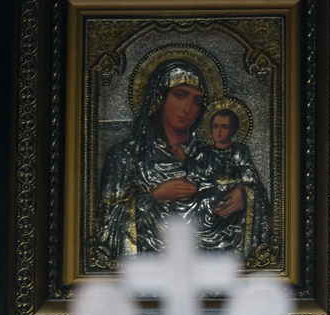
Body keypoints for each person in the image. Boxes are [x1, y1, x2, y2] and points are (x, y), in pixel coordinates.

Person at [94, 60, 269, 261]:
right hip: (151, 268)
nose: (188, 108)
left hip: (216, 264)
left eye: (197, 101)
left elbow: (260, 201)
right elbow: (106, 225)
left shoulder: (209, 152)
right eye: (180, 95)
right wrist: (154, 196)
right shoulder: (126, 155)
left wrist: (245, 196)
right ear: (159, 98)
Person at [186, 108, 271, 258]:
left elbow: (250, 176)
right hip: (207, 200)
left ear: (232, 130)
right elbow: (194, 177)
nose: (219, 131)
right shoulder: (204, 154)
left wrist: (236, 174)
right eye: (215, 126)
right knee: (202, 202)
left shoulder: (239, 151)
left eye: (224, 127)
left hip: (229, 202)